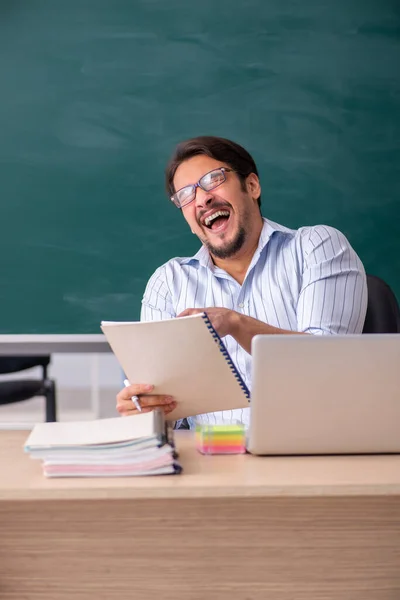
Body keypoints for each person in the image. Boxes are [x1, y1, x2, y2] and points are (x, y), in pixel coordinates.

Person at [116, 136, 367, 427]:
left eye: (213, 179)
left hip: (309, 455)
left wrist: (236, 323)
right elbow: (167, 416)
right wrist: (146, 410)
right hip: (213, 462)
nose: (202, 199)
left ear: (252, 186)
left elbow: (329, 365)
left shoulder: (316, 247)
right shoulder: (168, 283)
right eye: (185, 195)